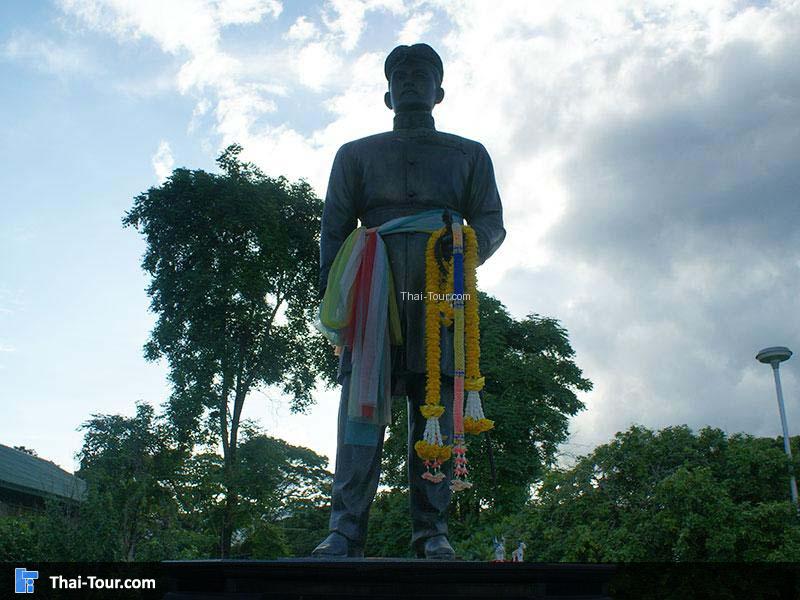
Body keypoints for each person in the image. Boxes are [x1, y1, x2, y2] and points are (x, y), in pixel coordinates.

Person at [312, 43, 505, 559]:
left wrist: (466, 246)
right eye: (402, 74)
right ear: (387, 92)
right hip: (372, 287)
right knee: (359, 406)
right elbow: (333, 230)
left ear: (439, 91)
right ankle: (345, 529)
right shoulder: (356, 155)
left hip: (438, 288)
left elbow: (491, 222)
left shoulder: (469, 154)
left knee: (433, 399)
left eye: (423, 74)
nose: (412, 81)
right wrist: (341, 301)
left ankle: (432, 530)